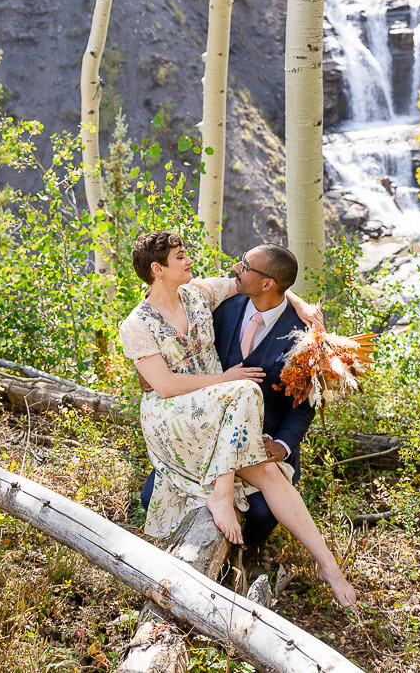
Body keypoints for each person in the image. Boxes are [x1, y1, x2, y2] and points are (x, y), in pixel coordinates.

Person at [118, 231, 356, 608]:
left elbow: (263, 283)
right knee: (246, 389)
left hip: (223, 411)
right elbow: (162, 386)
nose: (189, 261)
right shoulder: (136, 324)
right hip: (174, 415)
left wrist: (301, 303)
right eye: (181, 257)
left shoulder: (197, 292)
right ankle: (222, 493)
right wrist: (226, 379)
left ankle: (329, 566)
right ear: (157, 269)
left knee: (268, 473)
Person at [142, 242, 315, 550]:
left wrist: (283, 445)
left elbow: (305, 405)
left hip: (261, 443)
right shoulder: (222, 303)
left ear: (267, 284)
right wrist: (151, 371)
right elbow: (162, 313)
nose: (235, 269)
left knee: (263, 512)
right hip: (205, 433)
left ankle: (252, 553)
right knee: (148, 497)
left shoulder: (307, 334)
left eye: (244, 266)